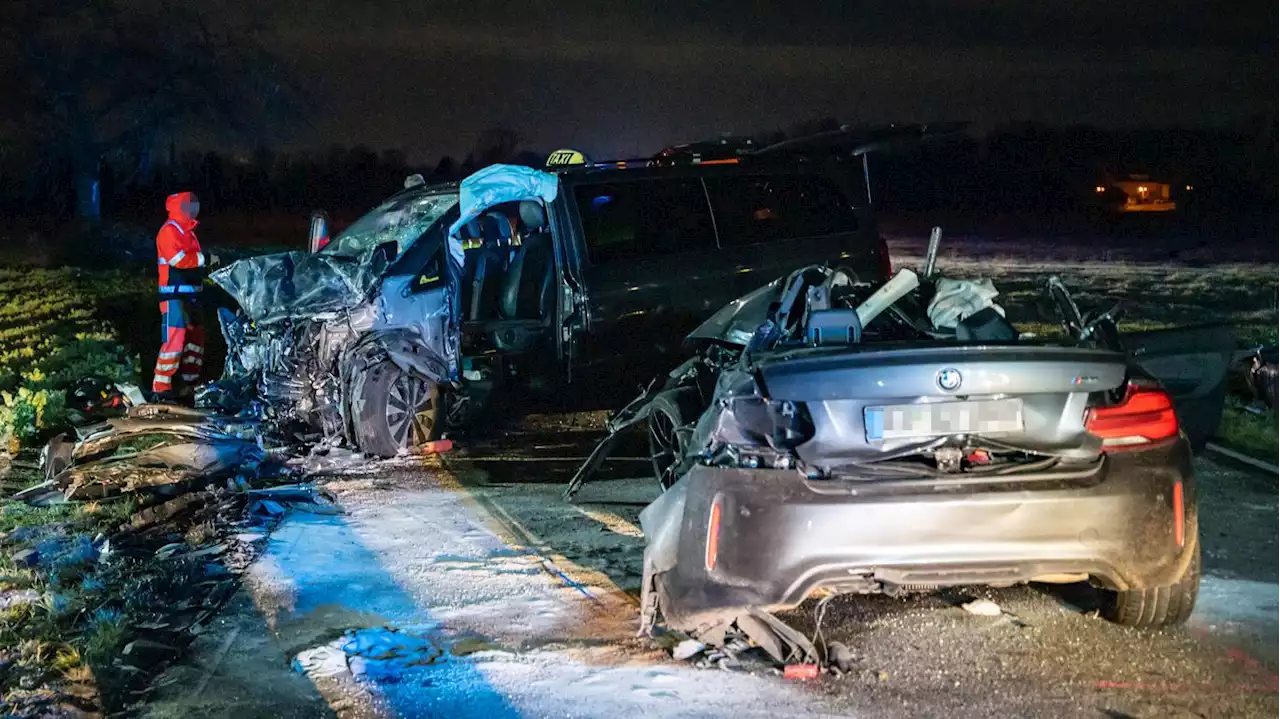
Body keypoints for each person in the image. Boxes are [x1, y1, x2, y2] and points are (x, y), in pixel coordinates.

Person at [152, 191, 217, 400]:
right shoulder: (169, 231)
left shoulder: (188, 232)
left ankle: (190, 386)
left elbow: (194, 263)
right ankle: (161, 388)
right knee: (174, 341)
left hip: (191, 297)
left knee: (195, 341)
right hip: (173, 297)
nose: (194, 209)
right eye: (189, 205)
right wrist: (204, 258)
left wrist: (207, 264)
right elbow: (178, 260)